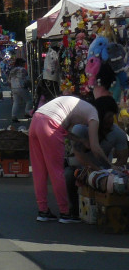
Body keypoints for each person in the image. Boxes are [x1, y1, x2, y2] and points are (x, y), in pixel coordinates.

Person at [28, 95, 118, 223]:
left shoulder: (80, 106)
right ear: (104, 112)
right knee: (56, 172)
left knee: (39, 171)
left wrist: (81, 140)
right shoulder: (94, 114)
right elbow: (95, 147)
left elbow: (63, 130)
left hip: (36, 120)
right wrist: (110, 166)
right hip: (50, 125)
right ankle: (65, 213)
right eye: (110, 116)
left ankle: (43, 211)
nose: (111, 121)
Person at [64, 117, 128, 219]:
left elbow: (123, 157)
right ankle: (74, 209)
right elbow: (79, 156)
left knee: (119, 180)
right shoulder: (80, 129)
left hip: (104, 170)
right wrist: (98, 170)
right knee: (68, 175)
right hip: (81, 168)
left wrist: (114, 169)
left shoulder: (117, 133)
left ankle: (110, 209)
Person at [8, 57, 32, 122]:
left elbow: (9, 80)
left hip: (14, 88)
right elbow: (27, 79)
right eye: (24, 63)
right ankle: (27, 112)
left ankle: (14, 116)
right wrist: (30, 86)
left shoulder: (12, 70)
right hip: (22, 87)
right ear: (21, 63)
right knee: (29, 100)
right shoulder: (23, 70)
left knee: (16, 102)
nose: (24, 64)